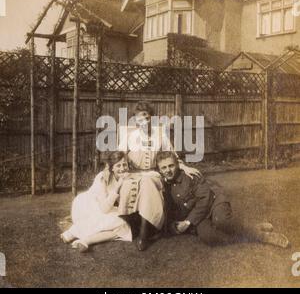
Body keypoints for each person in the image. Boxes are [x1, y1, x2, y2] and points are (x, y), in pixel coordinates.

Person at [156, 151, 290, 248]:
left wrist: (188, 222)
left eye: (171, 166)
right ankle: (253, 229)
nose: (168, 170)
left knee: (222, 222)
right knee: (210, 238)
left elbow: (205, 199)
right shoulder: (162, 186)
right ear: (159, 170)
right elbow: (168, 210)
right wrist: (173, 225)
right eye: (164, 167)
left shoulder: (191, 175)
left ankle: (264, 237)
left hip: (213, 202)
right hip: (199, 216)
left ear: (177, 165)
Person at [117, 101, 201, 251]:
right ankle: (130, 226)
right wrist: (111, 170)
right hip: (134, 173)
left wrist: (183, 166)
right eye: (140, 119)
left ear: (151, 118)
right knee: (128, 185)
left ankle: (143, 232)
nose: (144, 122)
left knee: (148, 182)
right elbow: (117, 157)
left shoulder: (160, 135)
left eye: (147, 118)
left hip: (153, 173)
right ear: (135, 121)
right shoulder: (131, 136)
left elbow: (172, 156)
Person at [60, 152, 132, 253]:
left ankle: (85, 240)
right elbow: (104, 209)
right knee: (122, 224)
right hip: (85, 206)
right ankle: (73, 232)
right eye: (118, 165)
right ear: (112, 168)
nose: (122, 168)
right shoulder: (103, 177)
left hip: (101, 209)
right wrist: (118, 186)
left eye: (124, 164)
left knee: (122, 225)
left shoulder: (126, 178)